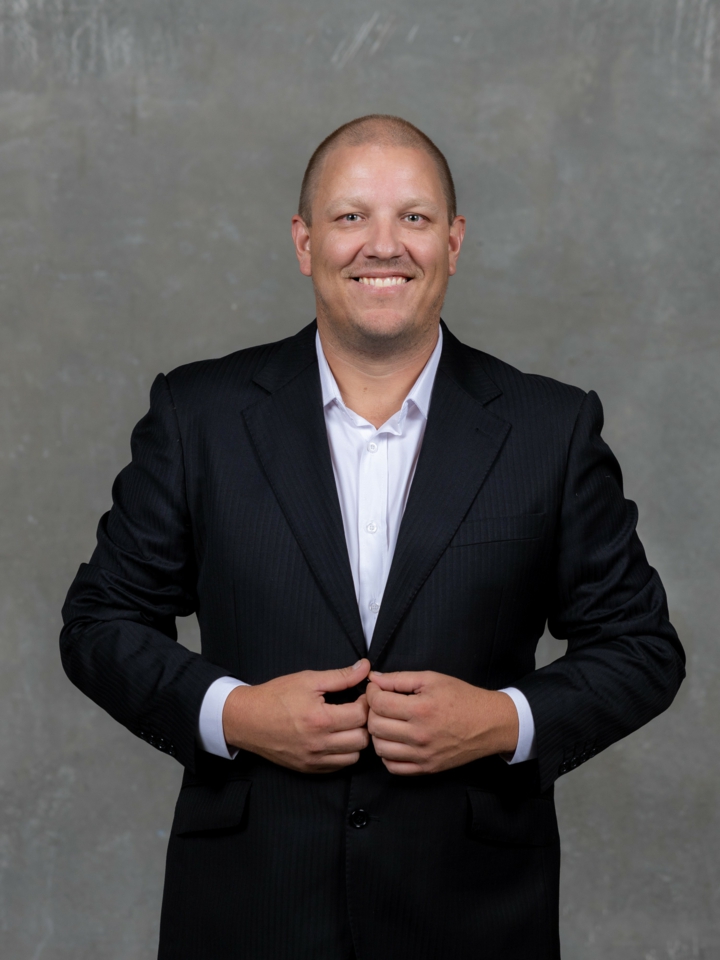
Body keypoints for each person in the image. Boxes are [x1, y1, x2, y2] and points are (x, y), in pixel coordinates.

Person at [60, 115, 685, 960]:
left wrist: (502, 721)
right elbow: (99, 623)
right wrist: (235, 714)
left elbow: (642, 648)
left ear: (453, 242)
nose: (383, 245)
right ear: (304, 241)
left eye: (414, 217)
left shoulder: (551, 429)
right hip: (249, 914)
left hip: (475, 919)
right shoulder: (197, 415)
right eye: (351, 216)